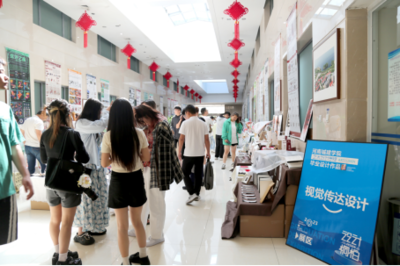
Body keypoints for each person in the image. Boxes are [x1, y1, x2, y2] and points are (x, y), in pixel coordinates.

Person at [101, 98, 151, 266]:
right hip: (136, 178)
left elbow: (104, 163)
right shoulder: (139, 133)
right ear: (131, 115)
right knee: (137, 222)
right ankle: (143, 257)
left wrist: (114, 157)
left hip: (118, 180)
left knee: (122, 227)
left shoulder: (108, 136)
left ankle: (125, 262)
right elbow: (146, 157)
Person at [40, 99, 88, 266]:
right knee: (67, 222)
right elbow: (84, 158)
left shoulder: (45, 134)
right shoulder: (72, 133)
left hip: (51, 182)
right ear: (68, 115)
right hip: (67, 183)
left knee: (55, 220)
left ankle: (58, 252)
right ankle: (63, 260)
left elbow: (44, 159)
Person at [132, 104, 184, 247]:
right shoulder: (154, 124)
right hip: (148, 167)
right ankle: (139, 225)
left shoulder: (160, 126)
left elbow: (164, 153)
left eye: (142, 121)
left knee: (156, 203)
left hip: (157, 169)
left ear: (147, 116)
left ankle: (156, 235)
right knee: (145, 200)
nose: (143, 124)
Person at [0, 57, 34, 246]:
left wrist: (26, 174)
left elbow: (15, 145)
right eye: (0, 71)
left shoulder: (5, 110)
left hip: (3, 187)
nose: (5, 77)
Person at [72, 98, 110, 246]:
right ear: (94, 111)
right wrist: (108, 111)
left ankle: (96, 227)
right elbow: (101, 125)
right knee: (87, 199)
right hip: (86, 168)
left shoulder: (91, 125)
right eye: (99, 111)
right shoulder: (82, 123)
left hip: (97, 167)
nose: (101, 113)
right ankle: (84, 230)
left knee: (98, 198)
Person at [178, 105, 210, 204]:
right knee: (198, 174)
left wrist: (179, 151)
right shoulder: (203, 123)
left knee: (184, 173)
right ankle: (197, 193)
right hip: (200, 154)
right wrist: (208, 152)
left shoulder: (185, 123)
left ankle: (192, 193)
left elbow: (181, 139)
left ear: (187, 112)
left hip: (188, 153)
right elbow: (207, 139)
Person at [20, 108, 49, 176]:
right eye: (46, 117)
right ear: (42, 114)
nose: (46, 119)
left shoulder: (27, 120)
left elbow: (21, 132)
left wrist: (25, 142)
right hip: (37, 147)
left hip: (27, 147)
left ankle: (31, 184)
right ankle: (43, 184)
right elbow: (39, 135)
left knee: (30, 169)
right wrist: (44, 147)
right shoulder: (39, 121)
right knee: (44, 166)